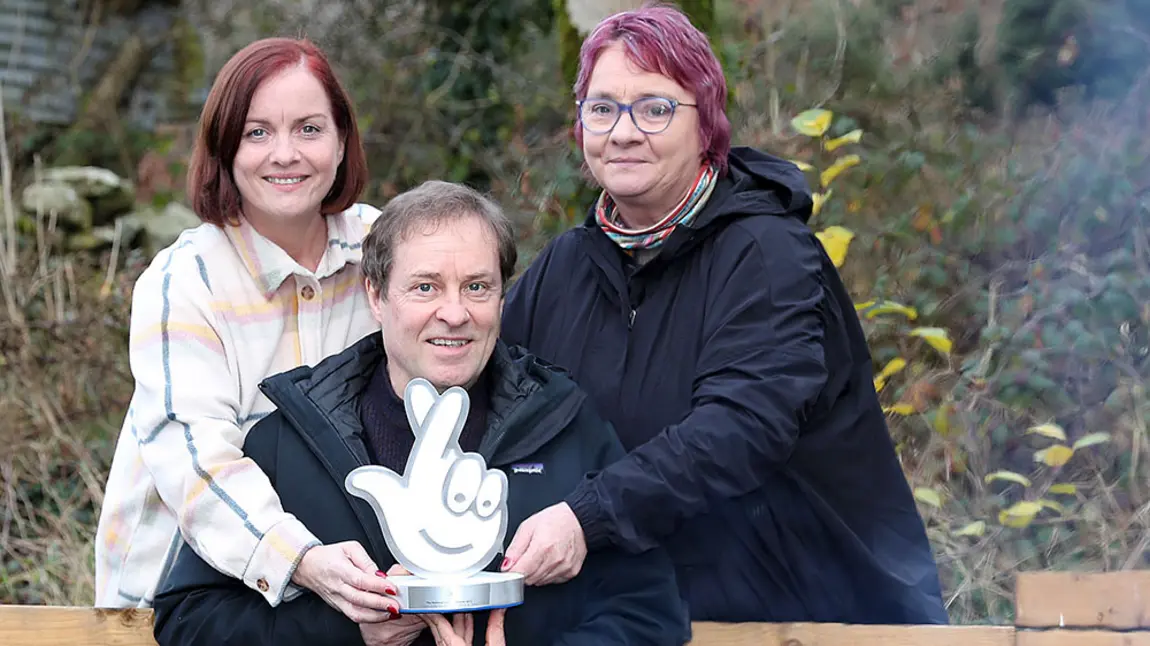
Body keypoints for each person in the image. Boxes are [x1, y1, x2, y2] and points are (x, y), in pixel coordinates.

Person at [497, 4, 950, 625]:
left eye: (655, 108)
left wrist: (587, 516)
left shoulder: (767, 254)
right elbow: (488, 401)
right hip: (640, 618)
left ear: (706, 123)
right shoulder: (568, 267)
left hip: (807, 617)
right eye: (602, 108)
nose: (623, 132)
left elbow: (741, 427)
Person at [150, 180, 691, 646]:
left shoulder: (564, 427)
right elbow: (188, 618)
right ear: (377, 296)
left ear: (502, 298)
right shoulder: (293, 439)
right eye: (425, 286)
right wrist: (343, 630)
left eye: (477, 287)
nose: (454, 313)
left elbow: (650, 610)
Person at [94, 37, 397, 622]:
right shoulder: (186, 281)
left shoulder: (385, 251)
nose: (285, 153)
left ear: (342, 142)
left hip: (346, 595)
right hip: (178, 604)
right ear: (225, 148)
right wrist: (304, 560)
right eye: (257, 132)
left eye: (309, 128)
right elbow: (199, 463)